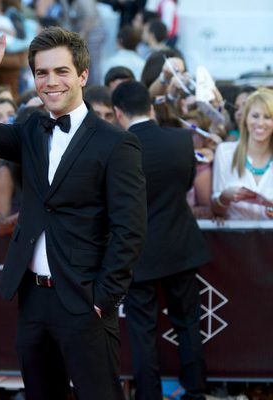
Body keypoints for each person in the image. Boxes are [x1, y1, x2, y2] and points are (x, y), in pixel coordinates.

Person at [0, 13, 146, 400]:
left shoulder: (115, 144)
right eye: (42, 73)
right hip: (34, 300)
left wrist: (104, 297)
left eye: (61, 71)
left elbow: (130, 229)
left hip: (85, 301)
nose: (51, 81)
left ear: (83, 75)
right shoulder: (31, 130)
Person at [112, 81, 210, 400]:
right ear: (151, 107)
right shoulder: (182, 140)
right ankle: (195, 390)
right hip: (181, 246)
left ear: (117, 113)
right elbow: (184, 185)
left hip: (138, 253)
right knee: (189, 323)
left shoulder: (116, 148)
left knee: (142, 332)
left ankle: (149, 396)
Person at [212, 88, 273, 220]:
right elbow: (215, 212)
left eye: (267, 117)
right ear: (245, 119)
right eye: (255, 116)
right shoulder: (225, 152)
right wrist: (225, 197)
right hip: (234, 239)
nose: (260, 123)